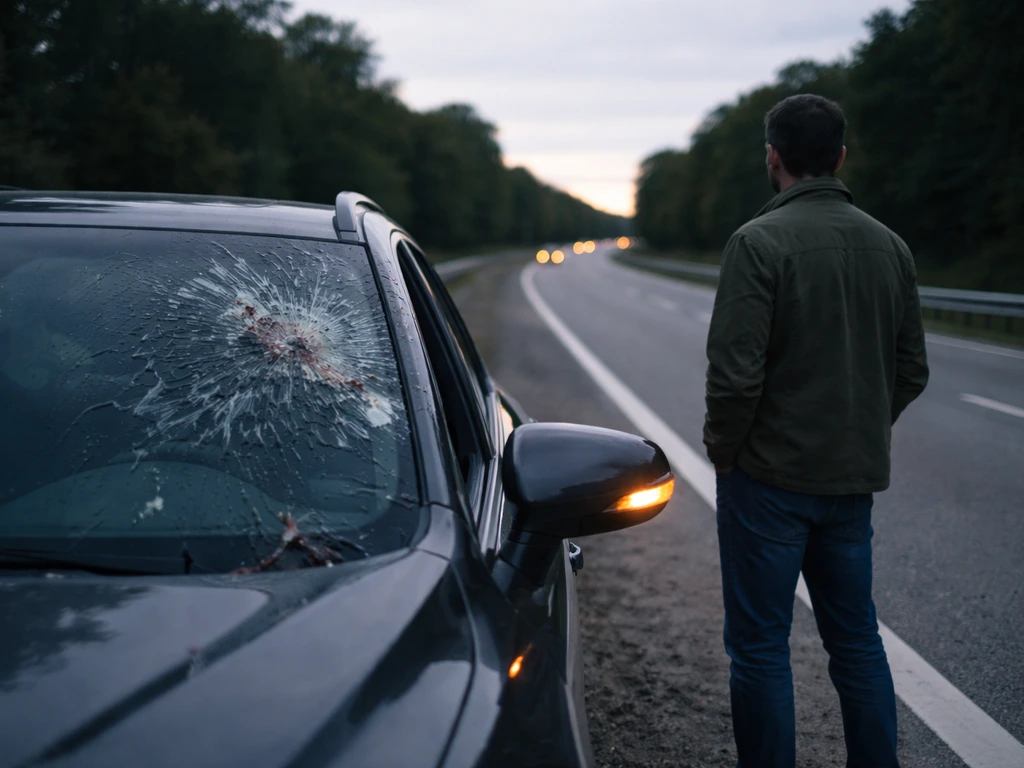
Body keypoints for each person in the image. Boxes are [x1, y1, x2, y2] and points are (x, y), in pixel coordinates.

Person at [704, 93, 929, 768]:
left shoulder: (757, 242)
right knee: (857, 640)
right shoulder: (890, 245)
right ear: (840, 157)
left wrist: (725, 454)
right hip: (848, 482)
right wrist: (855, 429)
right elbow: (911, 368)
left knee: (762, 647)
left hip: (768, 482)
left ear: (772, 157)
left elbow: (734, 375)